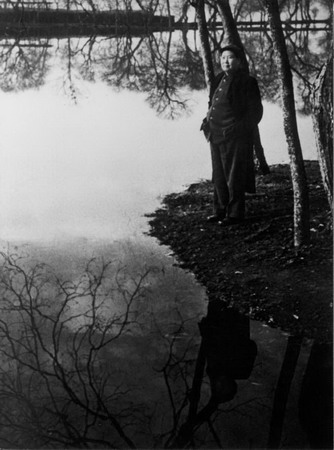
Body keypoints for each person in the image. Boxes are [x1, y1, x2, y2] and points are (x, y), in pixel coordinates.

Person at [201, 44, 263, 225]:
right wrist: (207, 121)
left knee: (234, 175)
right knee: (219, 174)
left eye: (230, 58)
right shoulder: (219, 78)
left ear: (239, 61)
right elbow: (213, 103)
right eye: (223, 58)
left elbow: (255, 112)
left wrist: (238, 130)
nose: (226, 61)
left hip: (234, 136)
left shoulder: (247, 82)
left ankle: (235, 214)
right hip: (214, 134)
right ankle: (220, 210)